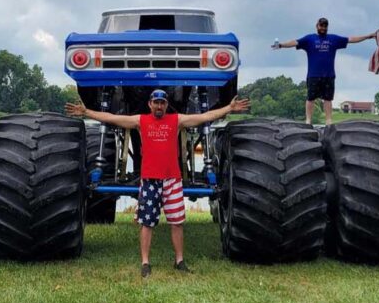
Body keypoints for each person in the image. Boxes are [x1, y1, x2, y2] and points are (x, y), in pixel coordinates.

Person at [65, 89, 251, 277]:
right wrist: (86, 112)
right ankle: (145, 263)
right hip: (149, 181)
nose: (159, 106)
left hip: (172, 180)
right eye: (156, 102)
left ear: (166, 104)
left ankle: (179, 261)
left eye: (162, 102)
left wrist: (229, 107)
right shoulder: (140, 121)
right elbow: (112, 118)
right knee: (147, 223)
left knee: (177, 222)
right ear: (150, 104)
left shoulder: (176, 120)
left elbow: (204, 116)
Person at [272, 17, 376, 126]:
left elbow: (350, 39)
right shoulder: (309, 39)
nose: (323, 28)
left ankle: (328, 121)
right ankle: (308, 121)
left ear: (327, 27)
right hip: (313, 75)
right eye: (321, 25)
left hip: (329, 75)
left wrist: (368, 36)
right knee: (310, 98)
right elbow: (295, 42)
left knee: (328, 99)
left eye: (325, 26)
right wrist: (281, 45)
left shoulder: (333, 39)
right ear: (317, 26)